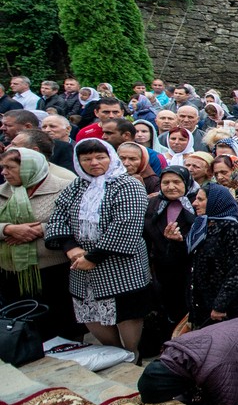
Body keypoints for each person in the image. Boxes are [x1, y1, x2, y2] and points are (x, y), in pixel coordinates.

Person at [44, 139, 152, 353]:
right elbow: (57, 218)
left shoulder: (127, 185)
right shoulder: (76, 185)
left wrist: (93, 257)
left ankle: (132, 355)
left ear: (110, 157)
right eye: (87, 159)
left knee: (126, 313)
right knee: (90, 312)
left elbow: (126, 224)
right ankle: (111, 353)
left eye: (100, 157)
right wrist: (71, 248)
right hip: (79, 264)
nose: (94, 163)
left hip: (119, 265)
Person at [0, 146, 80, 339]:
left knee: (57, 319)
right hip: (11, 270)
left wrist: (41, 230)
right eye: (2, 167)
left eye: (9, 167)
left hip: (52, 269)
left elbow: (76, 221)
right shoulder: (2, 191)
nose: (4, 173)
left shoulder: (64, 187)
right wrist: (8, 229)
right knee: (21, 319)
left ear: (28, 168)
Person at [180, 183, 238, 328]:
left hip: (225, 308)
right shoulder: (201, 225)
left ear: (214, 202)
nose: (194, 203)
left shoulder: (231, 228)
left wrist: (220, 305)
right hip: (204, 303)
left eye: (200, 199)